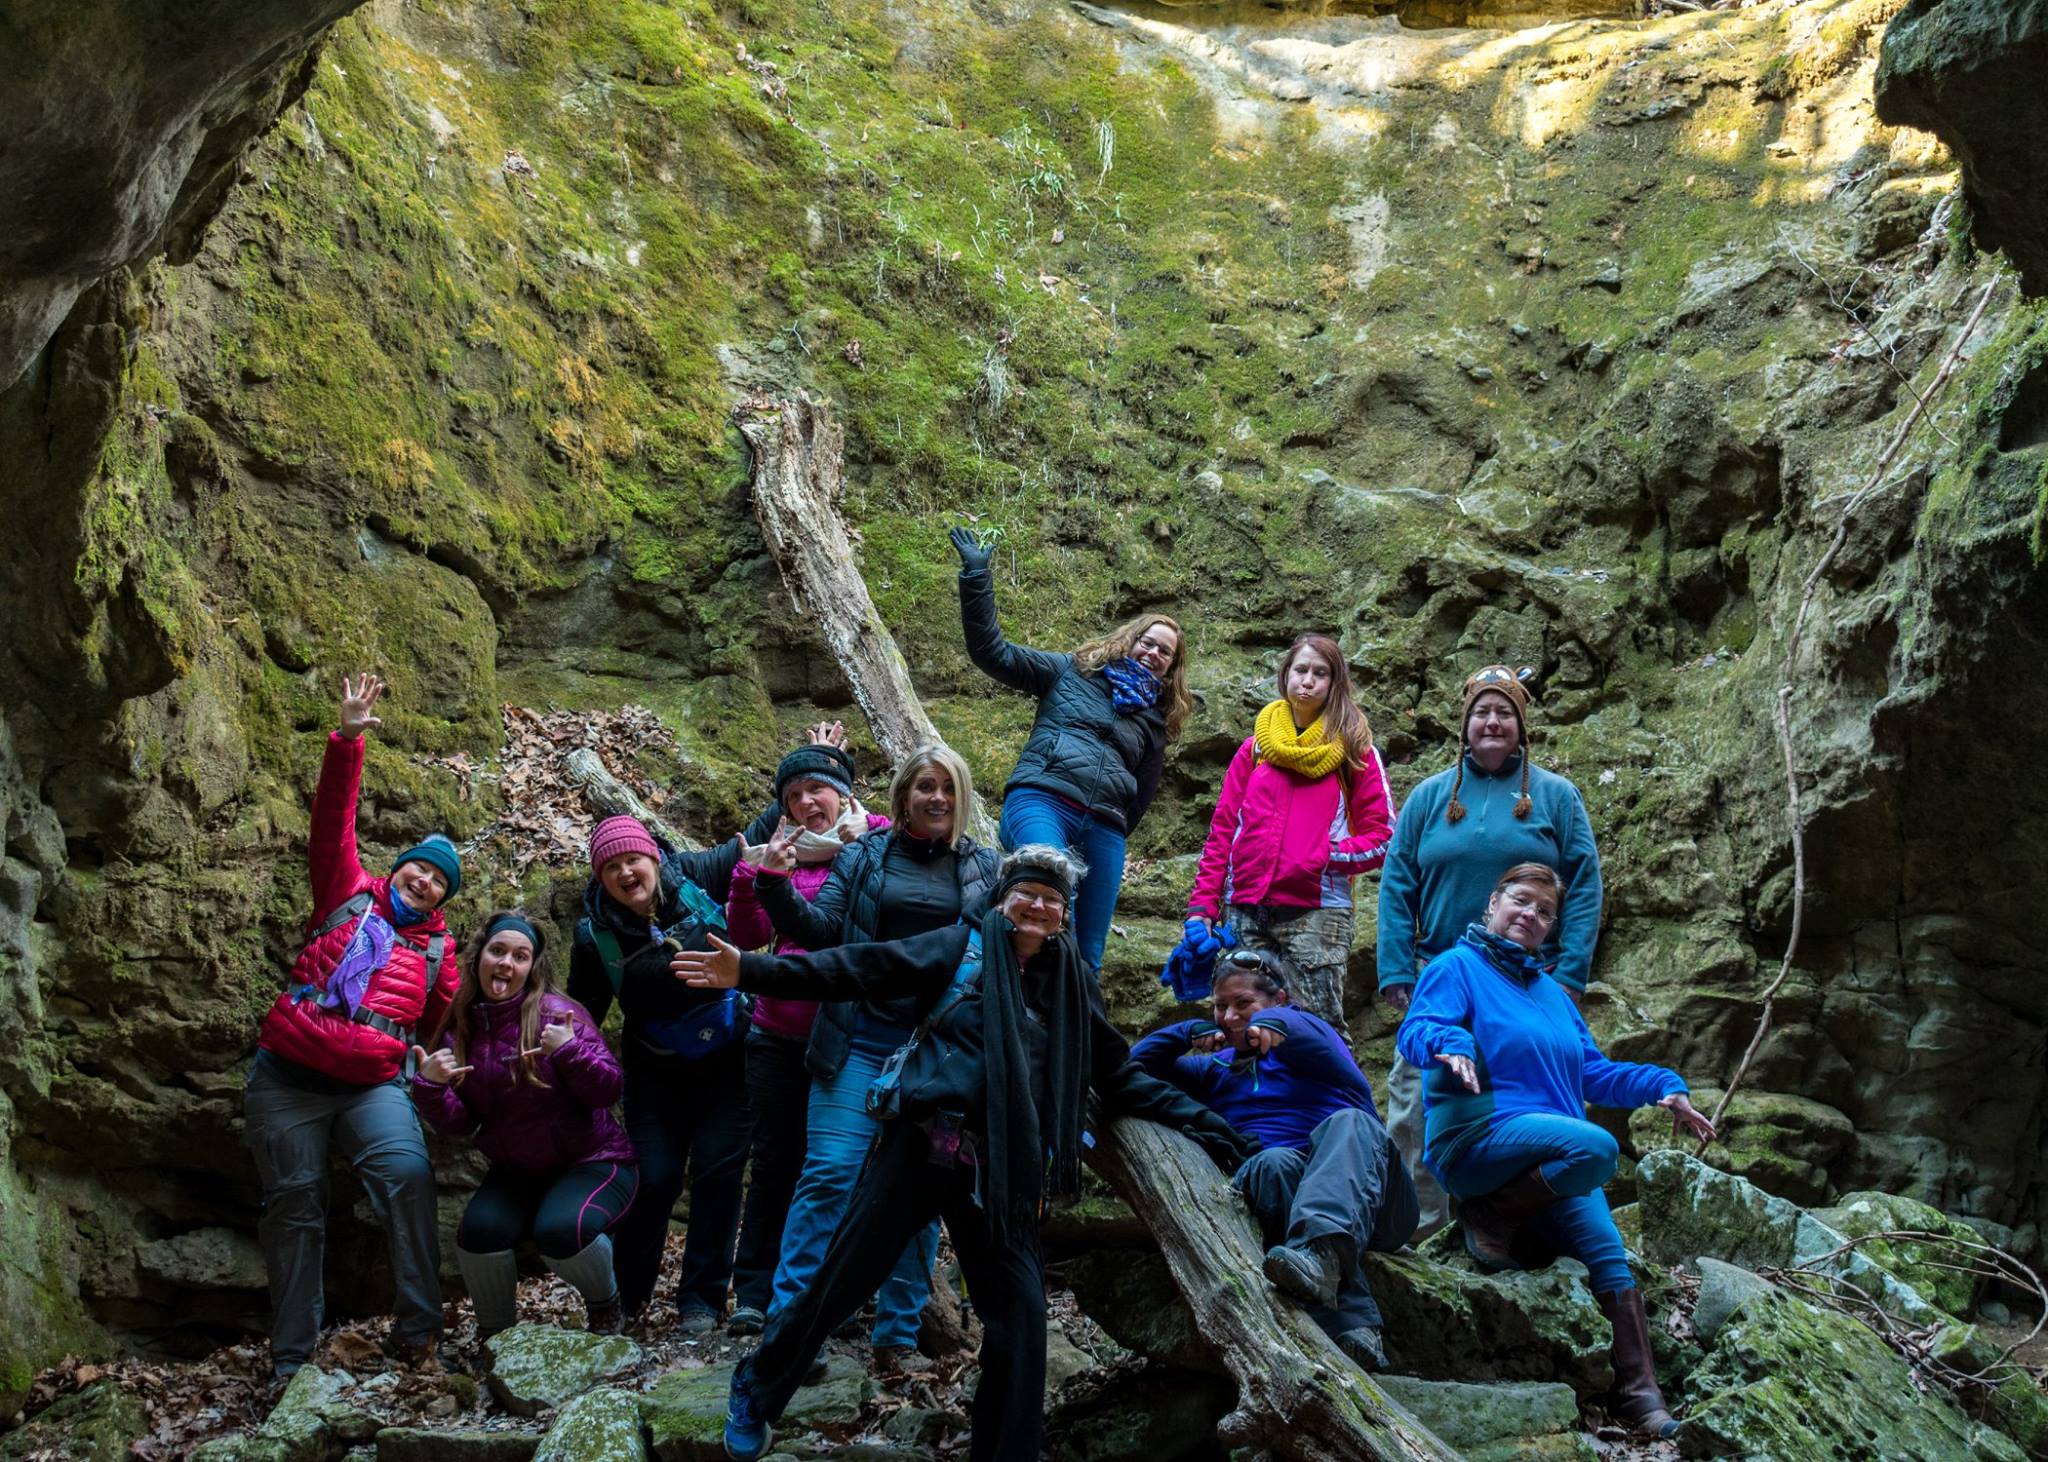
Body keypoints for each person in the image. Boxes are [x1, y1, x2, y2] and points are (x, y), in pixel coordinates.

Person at [677, 845, 1260, 1462]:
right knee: (839, 1283)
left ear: (1065, 915)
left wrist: (1211, 1127)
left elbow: (1119, 1077)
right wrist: (750, 971)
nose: (1038, 905)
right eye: (1027, 893)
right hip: (924, 1146)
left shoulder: (1072, 984)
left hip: (1004, 1170)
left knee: (1020, 1320)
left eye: (1052, 899)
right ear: (1003, 898)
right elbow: (858, 967)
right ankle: (758, 1387)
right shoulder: (960, 947)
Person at [1397, 863, 1715, 1439]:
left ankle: (1641, 1399)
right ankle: (1488, 1211)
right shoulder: (1455, 966)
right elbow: (1418, 1029)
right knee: (1598, 1148)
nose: (1532, 916)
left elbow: (1592, 1072)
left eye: (1545, 913)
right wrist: (1451, 1044)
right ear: (1493, 902)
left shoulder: (1553, 995)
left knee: (1610, 1257)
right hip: (1479, 1136)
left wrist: (1662, 1087)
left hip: (1550, 1154)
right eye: (1522, 901)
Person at [243, 673, 463, 1378]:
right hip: (287, 1078)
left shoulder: (439, 952)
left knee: (407, 1177)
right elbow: (332, 818)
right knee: (294, 1206)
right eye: (418, 869)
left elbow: (441, 1023)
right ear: (397, 870)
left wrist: (422, 1066)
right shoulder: (346, 893)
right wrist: (347, 737)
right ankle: (292, 1359)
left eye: (438, 881)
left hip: (373, 1087)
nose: (424, 880)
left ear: (442, 900)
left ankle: (419, 1331)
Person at [748, 744, 995, 1366]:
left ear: (961, 798)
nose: (936, 797)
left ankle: (896, 1335)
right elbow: (823, 932)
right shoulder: (862, 855)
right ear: (903, 798)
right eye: (924, 787)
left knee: (916, 1198)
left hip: (937, 1057)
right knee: (828, 1176)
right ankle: (790, 1330)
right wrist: (775, 885)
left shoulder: (984, 868)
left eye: (947, 787)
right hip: (856, 1040)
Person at [1375, 664, 1602, 1237]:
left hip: (1528, 984)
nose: (1492, 722)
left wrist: (1570, 973)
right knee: (1416, 1104)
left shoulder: (1556, 796)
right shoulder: (1430, 797)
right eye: (1482, 712)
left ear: (1521, 725)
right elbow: (1398, 882)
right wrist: (1397, 966)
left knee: (1534, 1102)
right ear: (1466, 724)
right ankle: (1422, 1230)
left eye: (1504, 712)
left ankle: (1523, 1225)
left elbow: (1584, 884)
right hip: (1441, 974)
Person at [1133, 947, 1415, 1370]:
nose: (1229, 1018)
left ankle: (1323, 1262)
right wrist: (1186, 1032)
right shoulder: (1215, 1071)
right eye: (1220, 1007)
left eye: (1243, 1004)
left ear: (1279, 999)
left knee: (1352, 1122)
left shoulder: (1317, 1041)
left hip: (1374, 1201)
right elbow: (1133, 1068)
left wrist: (1267, 1024)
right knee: (1273, 1162)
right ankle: (1348, 1320)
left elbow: (1300, 1030)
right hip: (1280, 1199)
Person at [566, 791, 780, 1336]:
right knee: (655, 1178)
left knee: (718, 1171)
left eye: (631, 860)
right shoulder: (595, 935)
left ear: (653, 858)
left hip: (729, 1063)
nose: (625, 872)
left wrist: (813, 765)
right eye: (611, 867)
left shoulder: (697, 875)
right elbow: (584, 1012)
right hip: (654, 1072)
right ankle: (627, 1297)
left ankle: (702, 1304)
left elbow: (760, 829)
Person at [952, 526, 1188, 971]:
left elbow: (1141, 797)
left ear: (1171, 668)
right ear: (1131, 640)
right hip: (1042, 799)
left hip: (1103, 829)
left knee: (1087, 953)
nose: (1153, 653)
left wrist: (1110, 826)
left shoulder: (1154, 722)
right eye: (1148, 642)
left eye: (1165, 652)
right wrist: (976, 577)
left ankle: (1068, 1035)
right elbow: (992, 653)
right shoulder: (1070, 671)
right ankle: (991, 996)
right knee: (1051, 890)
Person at [722, 722, 889, 1340]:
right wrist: (748, 877)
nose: (808, 803)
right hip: (776, 1031)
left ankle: (832, 1291)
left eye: (820, 789)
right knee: (774, 1162)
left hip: (849, 1035)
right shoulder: (778, 854)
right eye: (796, 796)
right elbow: (744, 942)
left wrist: (834, 767)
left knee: (837, 1165)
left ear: (845, 796)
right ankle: (756, 1292)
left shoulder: (875, 842)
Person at [412, 910, 637, 1343]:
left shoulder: (558, 1014)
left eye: (520, 956)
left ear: (531, 968)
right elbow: (461, 1124)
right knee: (476, 1234)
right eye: (498, 951)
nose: (506, 964)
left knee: (560, 1232)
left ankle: (606, 1304)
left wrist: (570, 1051)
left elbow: (608, 1090)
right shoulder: (462, 1026)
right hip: (518, 1170)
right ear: (479, 957)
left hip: (593, 1160)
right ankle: (496, 1335)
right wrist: (431, 1089)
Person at [1188, 633, 1396, 1030]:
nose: (1308, 680)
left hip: (1316, 912)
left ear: (1335, 684)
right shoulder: (1255, 749)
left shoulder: (1355, 749)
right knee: (1240, 1027)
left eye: (1320, 673)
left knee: (1316, 1032)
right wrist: (1202, 909)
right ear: (1285, 676)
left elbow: (1384, 835)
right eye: (1300, 670)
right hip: (1245, 908)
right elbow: (1222, 833)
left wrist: (1322, 857)